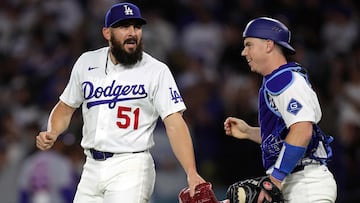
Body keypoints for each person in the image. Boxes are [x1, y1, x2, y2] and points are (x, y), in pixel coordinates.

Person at [35, 2, 205, 202]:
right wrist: (52, 132)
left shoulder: (156, 70)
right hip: (91, 166)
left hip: (132, 165)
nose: (132, 32)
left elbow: (174, 122)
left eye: (137, 27)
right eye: (124, 26)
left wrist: (191, 171)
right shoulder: (86, 62)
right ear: (107, 33)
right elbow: (66, 106)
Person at [223, 17, 337, 202]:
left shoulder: (284, 79)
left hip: (305, 182)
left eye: (249, 44)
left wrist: (274, 180)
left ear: (268, 45)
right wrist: (250, 132)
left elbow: (302, 130)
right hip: (293, 180)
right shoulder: (277, 79)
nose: (244, 52)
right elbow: (289, 134)